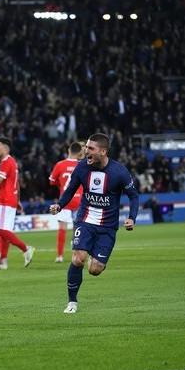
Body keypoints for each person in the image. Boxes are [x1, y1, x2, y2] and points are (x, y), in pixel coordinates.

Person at [49, 133, 139, 314]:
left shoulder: (119, 172)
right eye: (86, 147)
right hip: (85, 220)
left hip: (107, 226)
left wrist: (132, 217)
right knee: (77, 259)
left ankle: (93, 254)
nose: (86, 151)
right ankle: (72, 302)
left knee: (95, 270)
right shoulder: (82, 168)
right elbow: (70, 189)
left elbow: (133, 196)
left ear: (103, 152)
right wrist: (59, 205)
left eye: (90, 148)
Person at [0, 137, 35, 270]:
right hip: (10, 199)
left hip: (5, 200)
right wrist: (17, 200)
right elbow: (16, 183)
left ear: (6, 148)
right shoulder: (12, 161)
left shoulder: (6, 161)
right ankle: (3, 262)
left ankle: (26, 248)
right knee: (4, 231)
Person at [48, 141, 85, 262]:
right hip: (79, 199)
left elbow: (51, 181)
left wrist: (61, 185)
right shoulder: (82, 165)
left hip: (64, 200)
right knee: (77, 228)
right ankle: (76, 253)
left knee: (62, 228)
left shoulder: (60, 164)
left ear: (69, 150)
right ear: (80, 152)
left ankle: (59, 256)